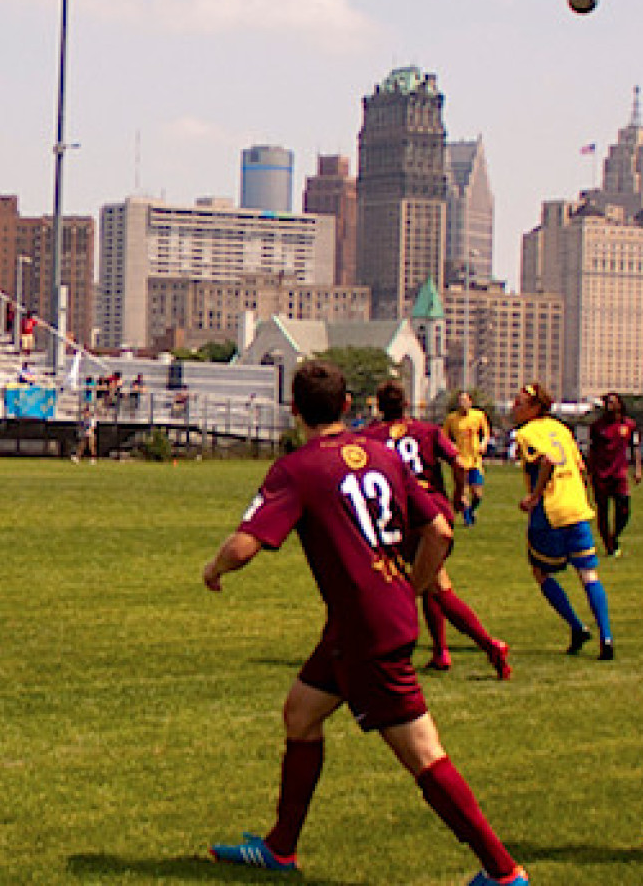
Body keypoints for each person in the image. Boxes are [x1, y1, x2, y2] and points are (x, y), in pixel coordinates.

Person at [200, 360, 527, 885]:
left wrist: (214, 568)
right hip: (360, 622)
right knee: (301, 714)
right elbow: (441, 532)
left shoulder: (299, 468)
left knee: (424, 754)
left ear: (293, 410)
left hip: (367, 631)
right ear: (348, 405)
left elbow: (245, 545)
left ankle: (503, 872)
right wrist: (413, 588)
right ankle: (280, 848)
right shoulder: (384, 455)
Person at [362, 380, 511, 679]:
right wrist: (458, 493)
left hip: (403, 516)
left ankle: (488, 645)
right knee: (433, 581)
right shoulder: (428, 432)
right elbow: (457, 462)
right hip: (435, 511)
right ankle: (442, 651)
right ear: (406, 404)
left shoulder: (370, 437)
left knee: (433, 586)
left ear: (379, 406)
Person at [510, 382, 614, 661]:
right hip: (577, 507)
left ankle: (578, 627)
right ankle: (606, 636)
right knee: (588, 574)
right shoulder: (562, 429)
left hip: (551, 511)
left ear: (534, 408)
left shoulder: (527, 433)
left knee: (540, 572)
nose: (513, 408)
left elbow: (548, 460)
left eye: (519, 403)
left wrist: (534, 497)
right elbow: (579, 466)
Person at [586, 392, 642, 557]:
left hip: (619, 474)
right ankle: (609, 545)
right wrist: (588, 472)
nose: (608, 405)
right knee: (602, 511)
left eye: (611, 402)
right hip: (600, 474)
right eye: (606, 402)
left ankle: (614, 537)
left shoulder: (628, 425)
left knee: (623, 509)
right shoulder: (597, 426)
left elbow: (635, 448)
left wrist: (637, 469)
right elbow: (592, 450)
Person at [444, 391, 491, 526]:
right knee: (463, 492)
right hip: (460, 460)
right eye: (460, 401)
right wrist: (451, 447)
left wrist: (483, 444)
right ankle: (468, 521)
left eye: (465, 400)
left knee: (477, 494)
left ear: (470, 402)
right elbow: (444, 436)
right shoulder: (452, 418)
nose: (462, 403)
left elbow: (486, 433)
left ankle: (470, 511)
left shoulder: (479, 416)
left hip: (475, 460)